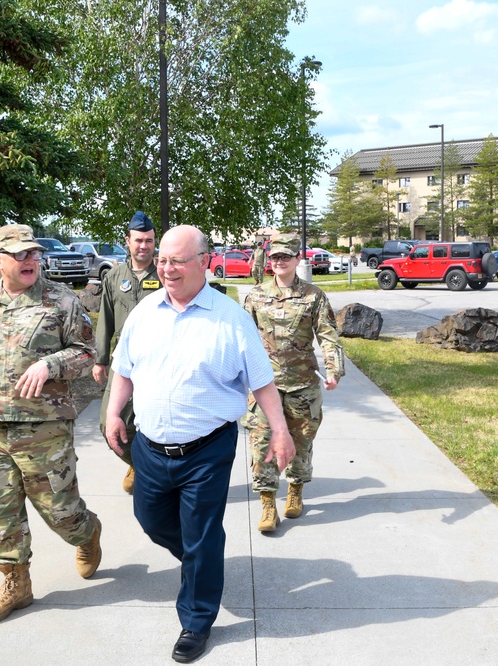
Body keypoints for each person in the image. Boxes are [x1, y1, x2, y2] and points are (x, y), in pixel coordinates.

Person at [105, 225, 294, 664]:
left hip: (207, 450)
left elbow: (262, 381)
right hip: (150, 448)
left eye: (177, 261)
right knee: (152, 520)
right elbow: (124, 369)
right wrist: (114, 412)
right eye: (162, 260)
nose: (167, 269)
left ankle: (196, 621)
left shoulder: (231, 318)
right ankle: (200, 560)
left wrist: (280, 430)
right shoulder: (145, 312)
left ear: (204, 262)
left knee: (202, 533)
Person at [0, 223, 103, 625]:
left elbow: (87, 353)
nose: (29, 260)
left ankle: (87, 532)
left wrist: (50, 364)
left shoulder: (62, 301)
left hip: (45, 427)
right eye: (19, 254)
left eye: (33, 253)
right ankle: (16, 584)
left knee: (61, 513)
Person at [243, 232, 345, 533]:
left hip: (302, 386)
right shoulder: (255, 296)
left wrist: (333, 370)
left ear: (297, 259)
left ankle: (296, 490)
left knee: (300, 444)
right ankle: (267, 505)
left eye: (285, 256)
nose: (279, 261)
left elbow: (328, 336)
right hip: (265, 386)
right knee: (262, 445)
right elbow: (241, 338)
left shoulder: (314, 296)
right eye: (275, 256)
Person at [93, 210, 161, 494]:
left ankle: (157, 473)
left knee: (156, 421)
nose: (144, 246)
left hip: (159, 359)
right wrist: (100, 359)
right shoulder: (114, 277)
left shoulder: (165, 274)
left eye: (149, 240)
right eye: (138, 240)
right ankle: (138, 464)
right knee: (108, 421)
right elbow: (105, 319)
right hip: (124, 361)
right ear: (128, 242)